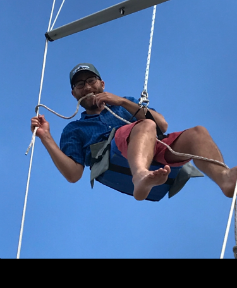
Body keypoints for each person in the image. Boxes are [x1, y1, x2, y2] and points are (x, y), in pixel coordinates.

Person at [31, 63, 237, 201]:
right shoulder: (74, 129)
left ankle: (225, 179)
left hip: (153, 150)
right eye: (80, 84)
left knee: (197, 133)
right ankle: (141, 176)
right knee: (145, 125)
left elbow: (162, 125)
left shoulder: (125, 103)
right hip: (114, 160)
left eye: (91, 80)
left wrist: (121, 101)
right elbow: (74, 175)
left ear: (102, 84)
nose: (87, 87)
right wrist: (45, 137)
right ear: (73, 93)